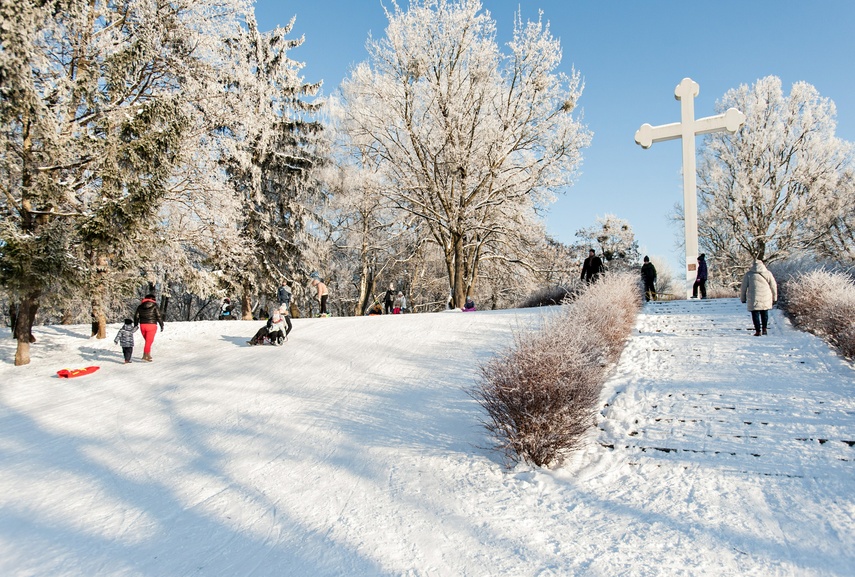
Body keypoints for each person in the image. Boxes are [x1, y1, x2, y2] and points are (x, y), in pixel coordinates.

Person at [739, 259, 778, 336]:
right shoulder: (768, 273)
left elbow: (743, 287)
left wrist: (743, 298)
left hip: (754, 297)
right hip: (765, 296)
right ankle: (764, 329)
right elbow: (773, 286)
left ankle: (757, 331)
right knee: (764, 313)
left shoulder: (749, 274)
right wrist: (775, 297)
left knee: (755, 314)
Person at [134, 294, 164, 362]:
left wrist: (136, 324)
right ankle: (145, 356)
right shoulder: (154, 306)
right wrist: (161, 324)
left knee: (147, 341)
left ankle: (148, 354)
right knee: (149, 341)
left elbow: (136, 316)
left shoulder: (140, 306)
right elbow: (158, 316)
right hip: (151, 325)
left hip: (142, 325)